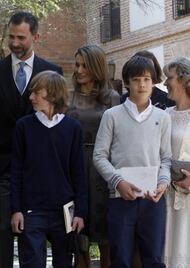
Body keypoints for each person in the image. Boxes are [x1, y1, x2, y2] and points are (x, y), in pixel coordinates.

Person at [0, 11, 63, 268]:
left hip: (39, 171)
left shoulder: (52, 71)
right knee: (1, 232)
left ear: (35, 37)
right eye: (11, 37)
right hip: (3, 169)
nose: (15, 43)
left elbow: (59, 123)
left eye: (21, 37)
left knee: (32, 237)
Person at [93, 56, 171, 267]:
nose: (142, 84)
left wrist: (163, 183)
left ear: (154, 82)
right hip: (120, 200)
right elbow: (99, 156)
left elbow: (166, 158)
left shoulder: (163, 117)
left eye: (147, 79)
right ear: (127, 82)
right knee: (120, 260)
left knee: (154, 259)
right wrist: (118, 181)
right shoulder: (112, 116)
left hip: (153, 201)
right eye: (136, 79)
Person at [10, 70, 87, 267]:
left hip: (65, 211)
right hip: (31, 211)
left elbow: (79, 173)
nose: (31, 97)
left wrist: (80, 213)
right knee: (32, 263)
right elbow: (16, 171)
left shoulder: (73, 128)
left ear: (52, 94)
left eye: (36, 92)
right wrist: (16, 210)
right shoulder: (23, 127)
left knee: (64, 263)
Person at [66, 44, 119, 268]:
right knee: (76, 237)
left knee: (106, 234)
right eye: (77, 64)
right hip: (72, 166)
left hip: (102, 169)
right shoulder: (67, 97)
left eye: (84, 65)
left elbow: (118, 137)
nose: (79, 70)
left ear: (96, 67)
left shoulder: (112, 98)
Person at [162, 57, 190, 266]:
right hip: (167, 197)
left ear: (184, 79)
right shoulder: (164, 115)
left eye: (169, 78)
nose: (164, 83)